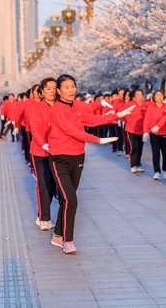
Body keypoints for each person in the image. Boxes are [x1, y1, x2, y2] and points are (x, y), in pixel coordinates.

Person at [47, 74, 134, 254]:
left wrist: (117, 115)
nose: (71, 90)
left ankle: (57, 235)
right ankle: (67, 240)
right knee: (71, 199)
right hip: (59, 158)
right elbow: (70, 130)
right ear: (58, 90)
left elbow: (92, 120)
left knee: (67, 199)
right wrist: (97, 140)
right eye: (67, 87)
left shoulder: (78, 106)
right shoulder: (56, 109)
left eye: (73, 86)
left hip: (78, 157)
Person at [28, 78, 57, 231]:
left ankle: (41, 214)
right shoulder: (36, 108)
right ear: (42, 92)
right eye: (48, 88)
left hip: (57, 151)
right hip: (40, 151)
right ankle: (45, 218)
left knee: (54, 186)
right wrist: (44, 144)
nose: (52, 91)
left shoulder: (60, 106)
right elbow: (35, 129)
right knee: (44, 184)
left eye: (54, 87)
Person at [143, 90, 166, 180]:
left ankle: (165, 170)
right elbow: (147, 120)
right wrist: (145, 132)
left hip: (165, 133)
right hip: (154, 134)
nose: (159, 97)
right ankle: (156, 171)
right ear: (154, 97)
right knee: (156, 153)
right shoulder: (151, 107)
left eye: (161, 95)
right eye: (157, 95)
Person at [123, 89, 148, 173]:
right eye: (137, 95)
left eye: (141, 94)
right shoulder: (129, 105)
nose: (140, 96)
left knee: (140, 147)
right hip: (131, 129)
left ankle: (138, 164)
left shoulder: (146, 105)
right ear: (134, 97)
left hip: (142, 130)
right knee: (134, 147)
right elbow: (123, 114)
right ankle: (133, 165)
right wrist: (127, 121)